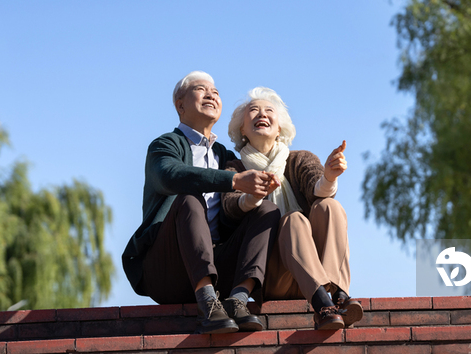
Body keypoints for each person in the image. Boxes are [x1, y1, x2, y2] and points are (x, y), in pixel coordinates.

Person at [122, 72, 281, 334]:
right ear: (180, 105)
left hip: (220, 268)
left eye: (216, 91)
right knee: (189, 197)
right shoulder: (164, 145)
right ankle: (207, 302)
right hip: (168, 269)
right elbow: (170, 176)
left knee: (266, 209)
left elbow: (233, 214)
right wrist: (234, 181)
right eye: (201, 89)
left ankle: (238, 301)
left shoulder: (226, 157)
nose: (211, 94)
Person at [222, 87, 363, 330]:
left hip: (317, 270)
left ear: (280, 127)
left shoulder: (299, 159)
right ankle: (324, 305)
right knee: (294, 220)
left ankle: (338, 294)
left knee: (329, 206)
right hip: (273, 275)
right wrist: (253, 196)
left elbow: (315, 186)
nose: (261, 114)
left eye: (269, 110)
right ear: (242, 129)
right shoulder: (234, 169)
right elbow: (229, 207)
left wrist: (329, 177)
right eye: (253, 110)